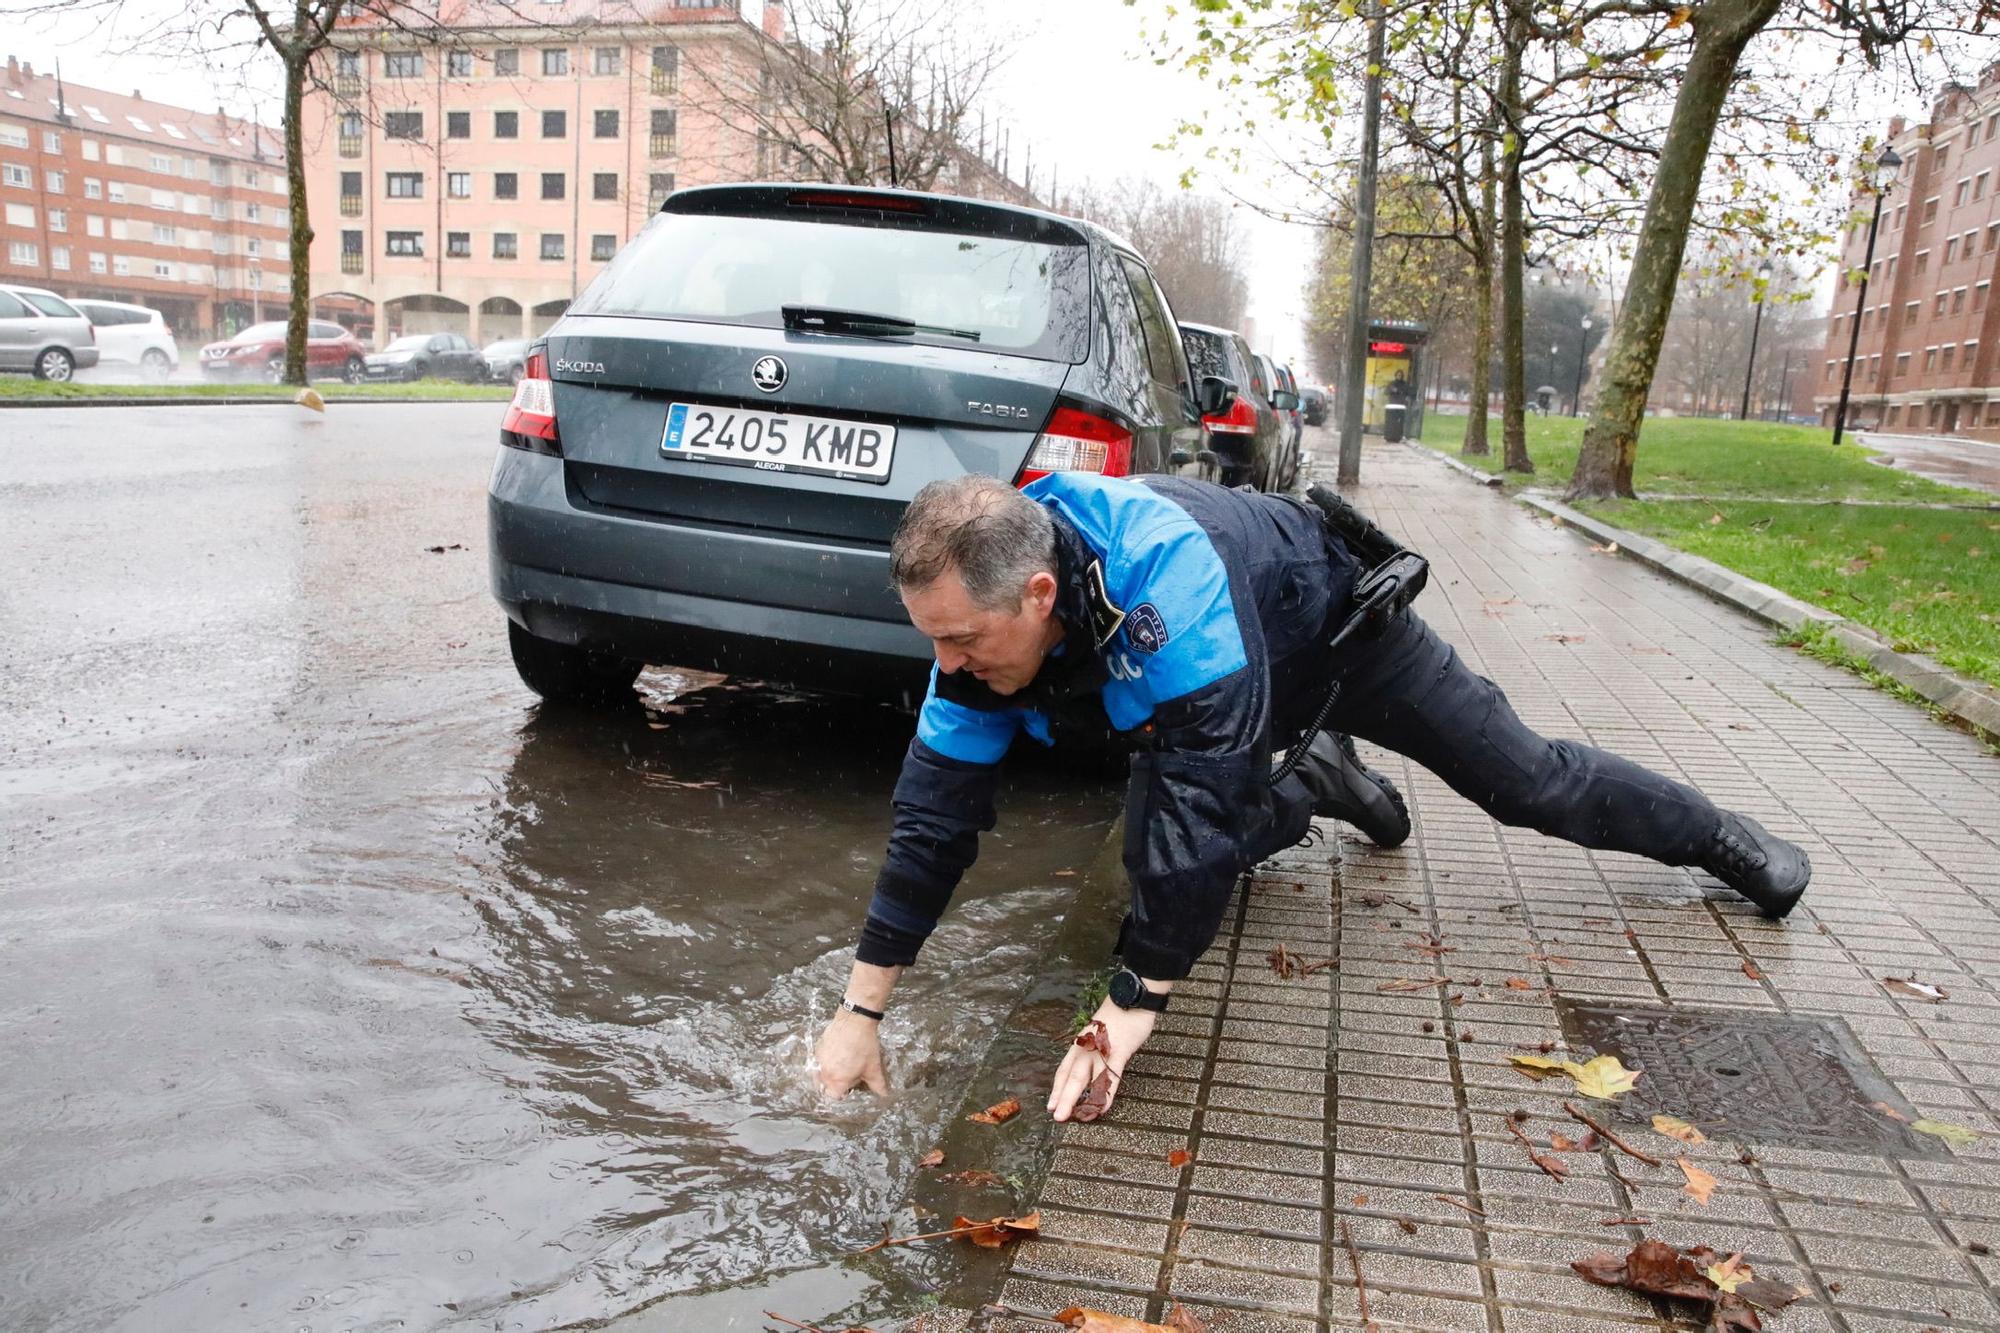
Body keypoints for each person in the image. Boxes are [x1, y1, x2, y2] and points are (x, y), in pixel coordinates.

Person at [812, 473, 1811, 1119]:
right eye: (930, 639)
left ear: (1035, 596)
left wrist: (1129, 1006)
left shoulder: (1163, 591)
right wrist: (861, 1012)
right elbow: (932, 820)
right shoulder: (983, 632)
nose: (942, 664)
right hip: (1208, 693)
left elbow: (1193, 824)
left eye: (960, 642)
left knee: (1525, 783)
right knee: (1164, 841)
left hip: (1336, 643)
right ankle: (1317, 778)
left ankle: (1720, 839)